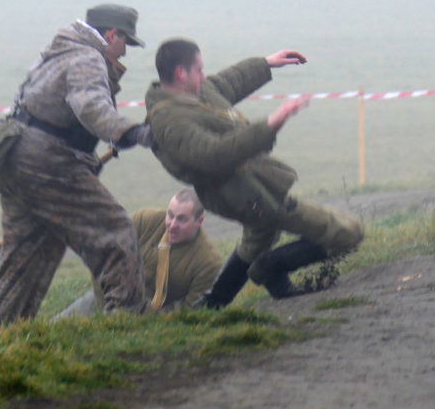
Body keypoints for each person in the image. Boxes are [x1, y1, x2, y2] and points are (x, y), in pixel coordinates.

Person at [145, 38, 364, 307]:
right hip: (238, 194)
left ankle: (213, 302)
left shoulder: (194, 93)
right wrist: (272, 123)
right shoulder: (171, 122)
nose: (204, 75)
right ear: (181, 74)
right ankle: (270, 268)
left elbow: (226, 83)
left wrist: (266, 63)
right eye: (199, 70)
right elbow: (214, 156)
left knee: (259, 237)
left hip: (250, 184)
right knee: (349, 231)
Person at [0, 4, 155, 326]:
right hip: (47, 161)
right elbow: (90, 107)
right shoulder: (88, 57)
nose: (125, 52)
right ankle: (127, 321)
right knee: (116, 231)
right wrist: (136, 132)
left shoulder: (56, 51)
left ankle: (0, 337)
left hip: (14, 156)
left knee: (29, 251)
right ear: (112, 34)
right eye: (125, 43)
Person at [57, 188, 223, 317]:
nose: (172, 225)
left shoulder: (208, 263)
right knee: (51, 333)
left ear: (199, 222)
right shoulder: (143, 221)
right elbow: (106, 258)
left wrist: (139, 317)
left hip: (151, 321)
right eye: (170, 215)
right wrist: (110, 309)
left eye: (181, 219)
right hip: (104, 301)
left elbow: (192, 310)